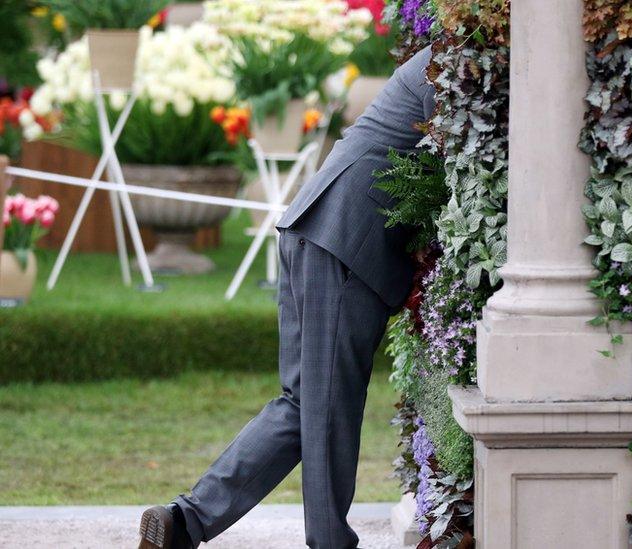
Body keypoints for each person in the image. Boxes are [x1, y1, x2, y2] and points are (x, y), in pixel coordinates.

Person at [137, 46, 435, 549]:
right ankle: (329, 542)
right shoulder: (455, 62)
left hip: (316, 230)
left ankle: (182, 523)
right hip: (342, 239)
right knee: (328, 408)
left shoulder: (446, 56)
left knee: (303, 404)